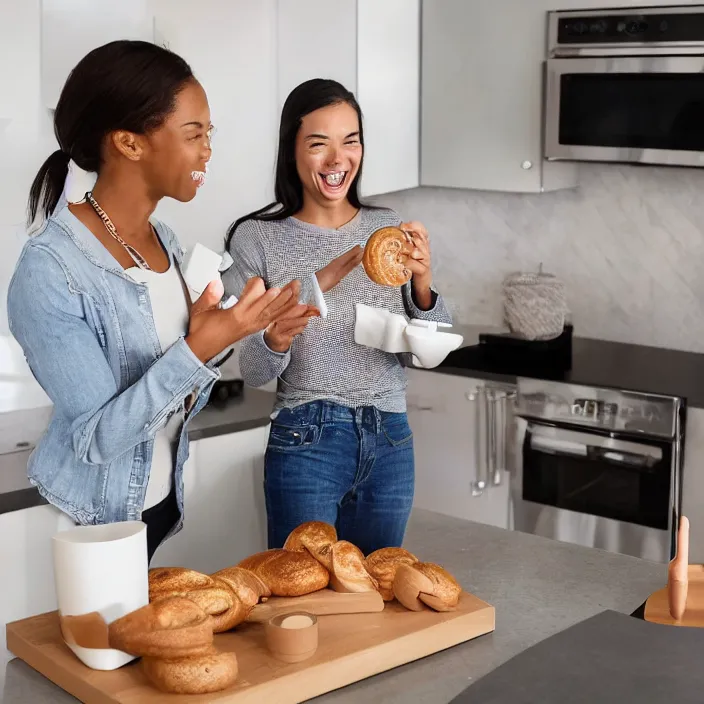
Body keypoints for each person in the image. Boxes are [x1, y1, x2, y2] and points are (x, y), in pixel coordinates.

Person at [6, 40, 303, 562]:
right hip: (91, 521)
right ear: (129, 142)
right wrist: (200, 347)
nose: (207, 149)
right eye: (193, 134)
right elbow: (98, 439)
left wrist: (211, 344)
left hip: (161, 505)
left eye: (209, 133)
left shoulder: (164, 241)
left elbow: (178, 404)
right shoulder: (50, 269)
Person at [222, 78, 452, 556]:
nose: (337, 159)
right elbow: (253, 371)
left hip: (390, 436)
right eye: (318, 144)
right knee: (303, 596)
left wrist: (423, 284)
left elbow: (431, 347)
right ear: (292, 151)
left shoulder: (387, 229)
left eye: (350, 141)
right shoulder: (257, 239)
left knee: (378, 596)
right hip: (307, 438)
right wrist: (278, 338)